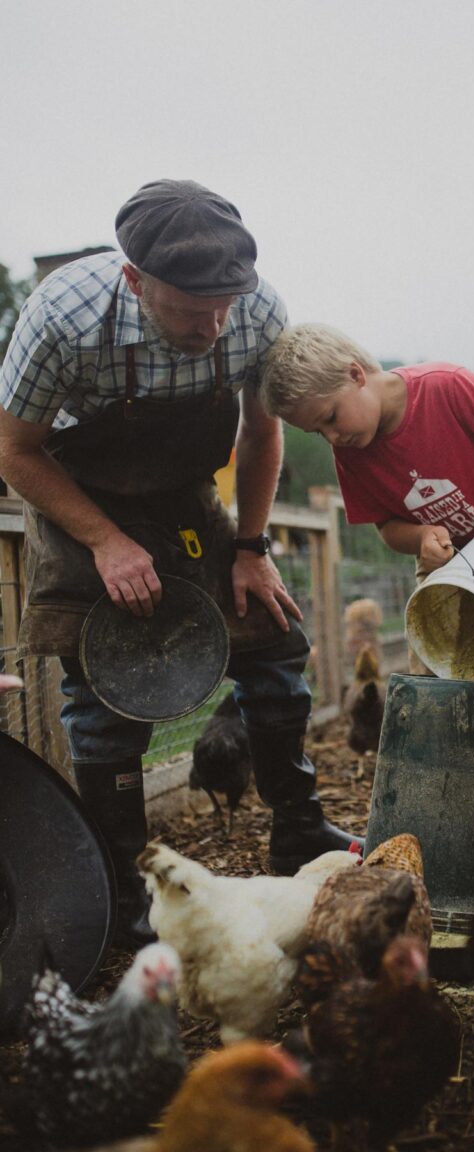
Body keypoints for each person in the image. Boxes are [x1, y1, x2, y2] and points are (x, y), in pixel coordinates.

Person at [0, 180, 360, 946]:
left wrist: (253, 548)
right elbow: (15, 453)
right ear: (135, 281)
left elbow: (262, 439)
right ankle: (126, 893)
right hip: (79, 492)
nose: (216, 325)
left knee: (273, 639)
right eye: (193, 310)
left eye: (225, 304)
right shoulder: (63, 319)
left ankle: (298, 827)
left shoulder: (256, 309)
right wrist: (104, 541)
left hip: (188, 493)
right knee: (106, 692)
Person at [260, 323, 474, 898]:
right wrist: (420, 537)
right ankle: (452, 848)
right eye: (317, 431)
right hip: (448, 570)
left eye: (331, 417)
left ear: (357, 375)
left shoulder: (449, 389)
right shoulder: (352, 454)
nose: (331, 436)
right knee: (435, 702)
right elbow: (387, 527)